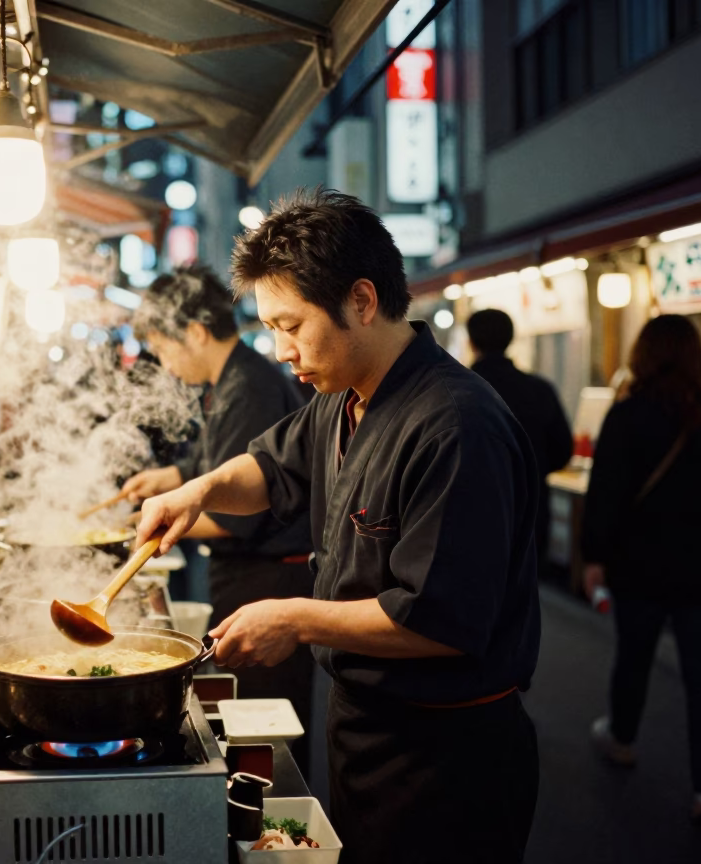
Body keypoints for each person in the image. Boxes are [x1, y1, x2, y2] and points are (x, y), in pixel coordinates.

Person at [135, 191, 541, 864]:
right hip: (361, 730)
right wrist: (197, 488)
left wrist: (294, 618)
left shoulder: (455, 426)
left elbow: (437, 622)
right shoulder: (340, 397)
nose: (280, 349)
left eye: (292, 326)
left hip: (447, 757)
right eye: (270, 328)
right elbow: (267, 470)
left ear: (360, 299)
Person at [121, 265, 316, 771]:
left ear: (195, 331)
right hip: (254, 574)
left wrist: (138, 534)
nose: (164, 366)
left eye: (164, 349)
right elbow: (216, 466)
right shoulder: (230, 379)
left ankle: (265, 835)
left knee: (263, 732)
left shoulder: (248, 384)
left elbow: (237, 519)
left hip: (270, 576)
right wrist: (174, 478)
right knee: (247, 718)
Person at [582, 314, 701, 825]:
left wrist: (594, 556)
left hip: (639, 565)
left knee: (633, 658)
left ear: (642, 355)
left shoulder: (627, 415)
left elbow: (605, 493)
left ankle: (622, 739)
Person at [466, 309, 574, 571]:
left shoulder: (455, 388)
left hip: (470, 513)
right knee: (523, 594)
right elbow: (563, 449)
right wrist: (532, 467)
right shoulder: (539, 389)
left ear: (471, 342)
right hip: (530, 510)